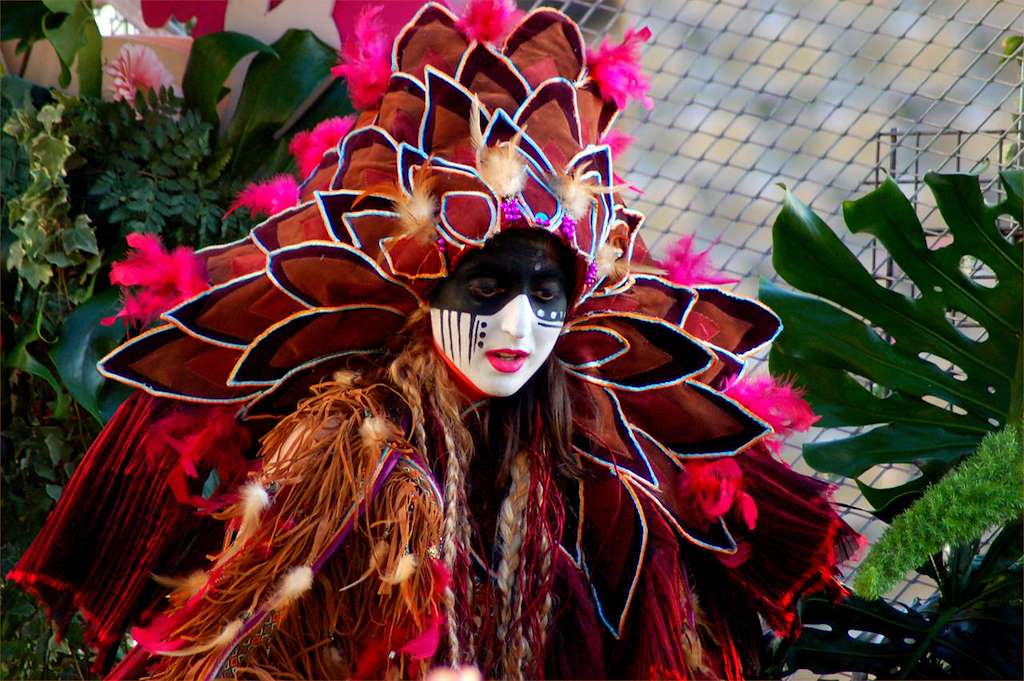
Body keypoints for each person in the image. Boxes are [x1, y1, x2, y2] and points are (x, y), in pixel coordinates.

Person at [8, 3, 860, 679]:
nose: (518, 326)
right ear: (424, 289)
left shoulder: (604, 452)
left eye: (547, 292)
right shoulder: (350, 445)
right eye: (487, 289)